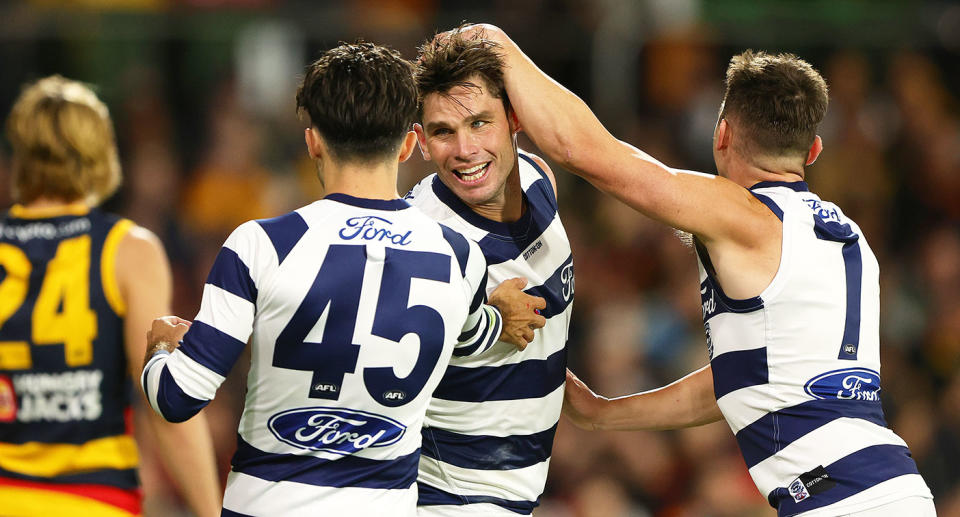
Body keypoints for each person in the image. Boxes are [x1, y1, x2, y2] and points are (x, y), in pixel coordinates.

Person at [452, 25, 937, 517]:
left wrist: (498, 44)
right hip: (897, 489)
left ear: (721, 133)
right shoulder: (851, 241)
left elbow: (588, 153)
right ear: (812, 151)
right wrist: (603, 414)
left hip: (839, 502)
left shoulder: (749, 217)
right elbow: (747, 380)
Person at [139, 41, 544, 516]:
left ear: (312, 140)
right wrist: (500, 314)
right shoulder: (459, 258)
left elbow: (176, 398)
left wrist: (159, 351)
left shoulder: (260, 245)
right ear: (410, 144)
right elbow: (473, 339)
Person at [0, 76, 221, 516]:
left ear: (19, 155)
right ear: (101, 153)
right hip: (96, 499)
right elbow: (162, 399)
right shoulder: (128, 250)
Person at [404, 31, 571, 516]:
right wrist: (475, 321)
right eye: (442, 131)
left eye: (480, 123)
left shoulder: (540, 179)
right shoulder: (423, 239)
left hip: (518, 490)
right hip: (448, 500)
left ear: (515, 119)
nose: (464, 149)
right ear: (420, 141)